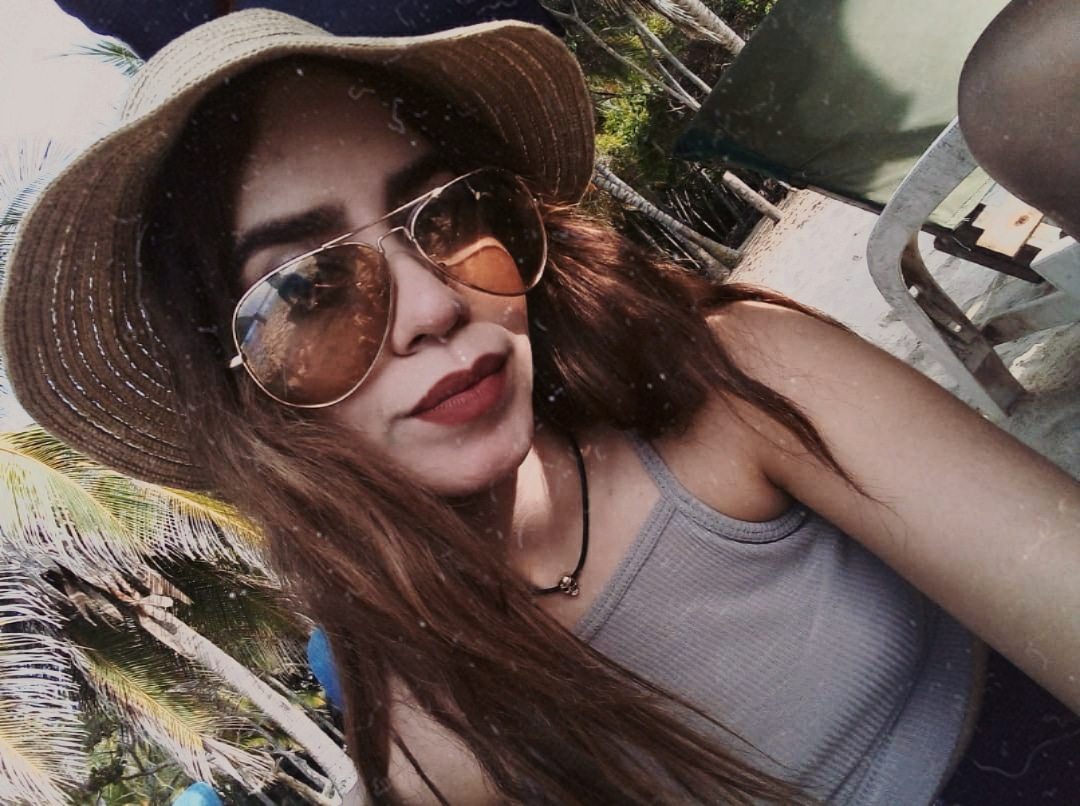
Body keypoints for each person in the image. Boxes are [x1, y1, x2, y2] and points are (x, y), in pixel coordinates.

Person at [3, 8, 1079, 804]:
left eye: (450, 216)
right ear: (242, 388)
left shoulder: (736, 377)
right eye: (310, 291)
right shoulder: (424, 738)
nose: (436, 305)